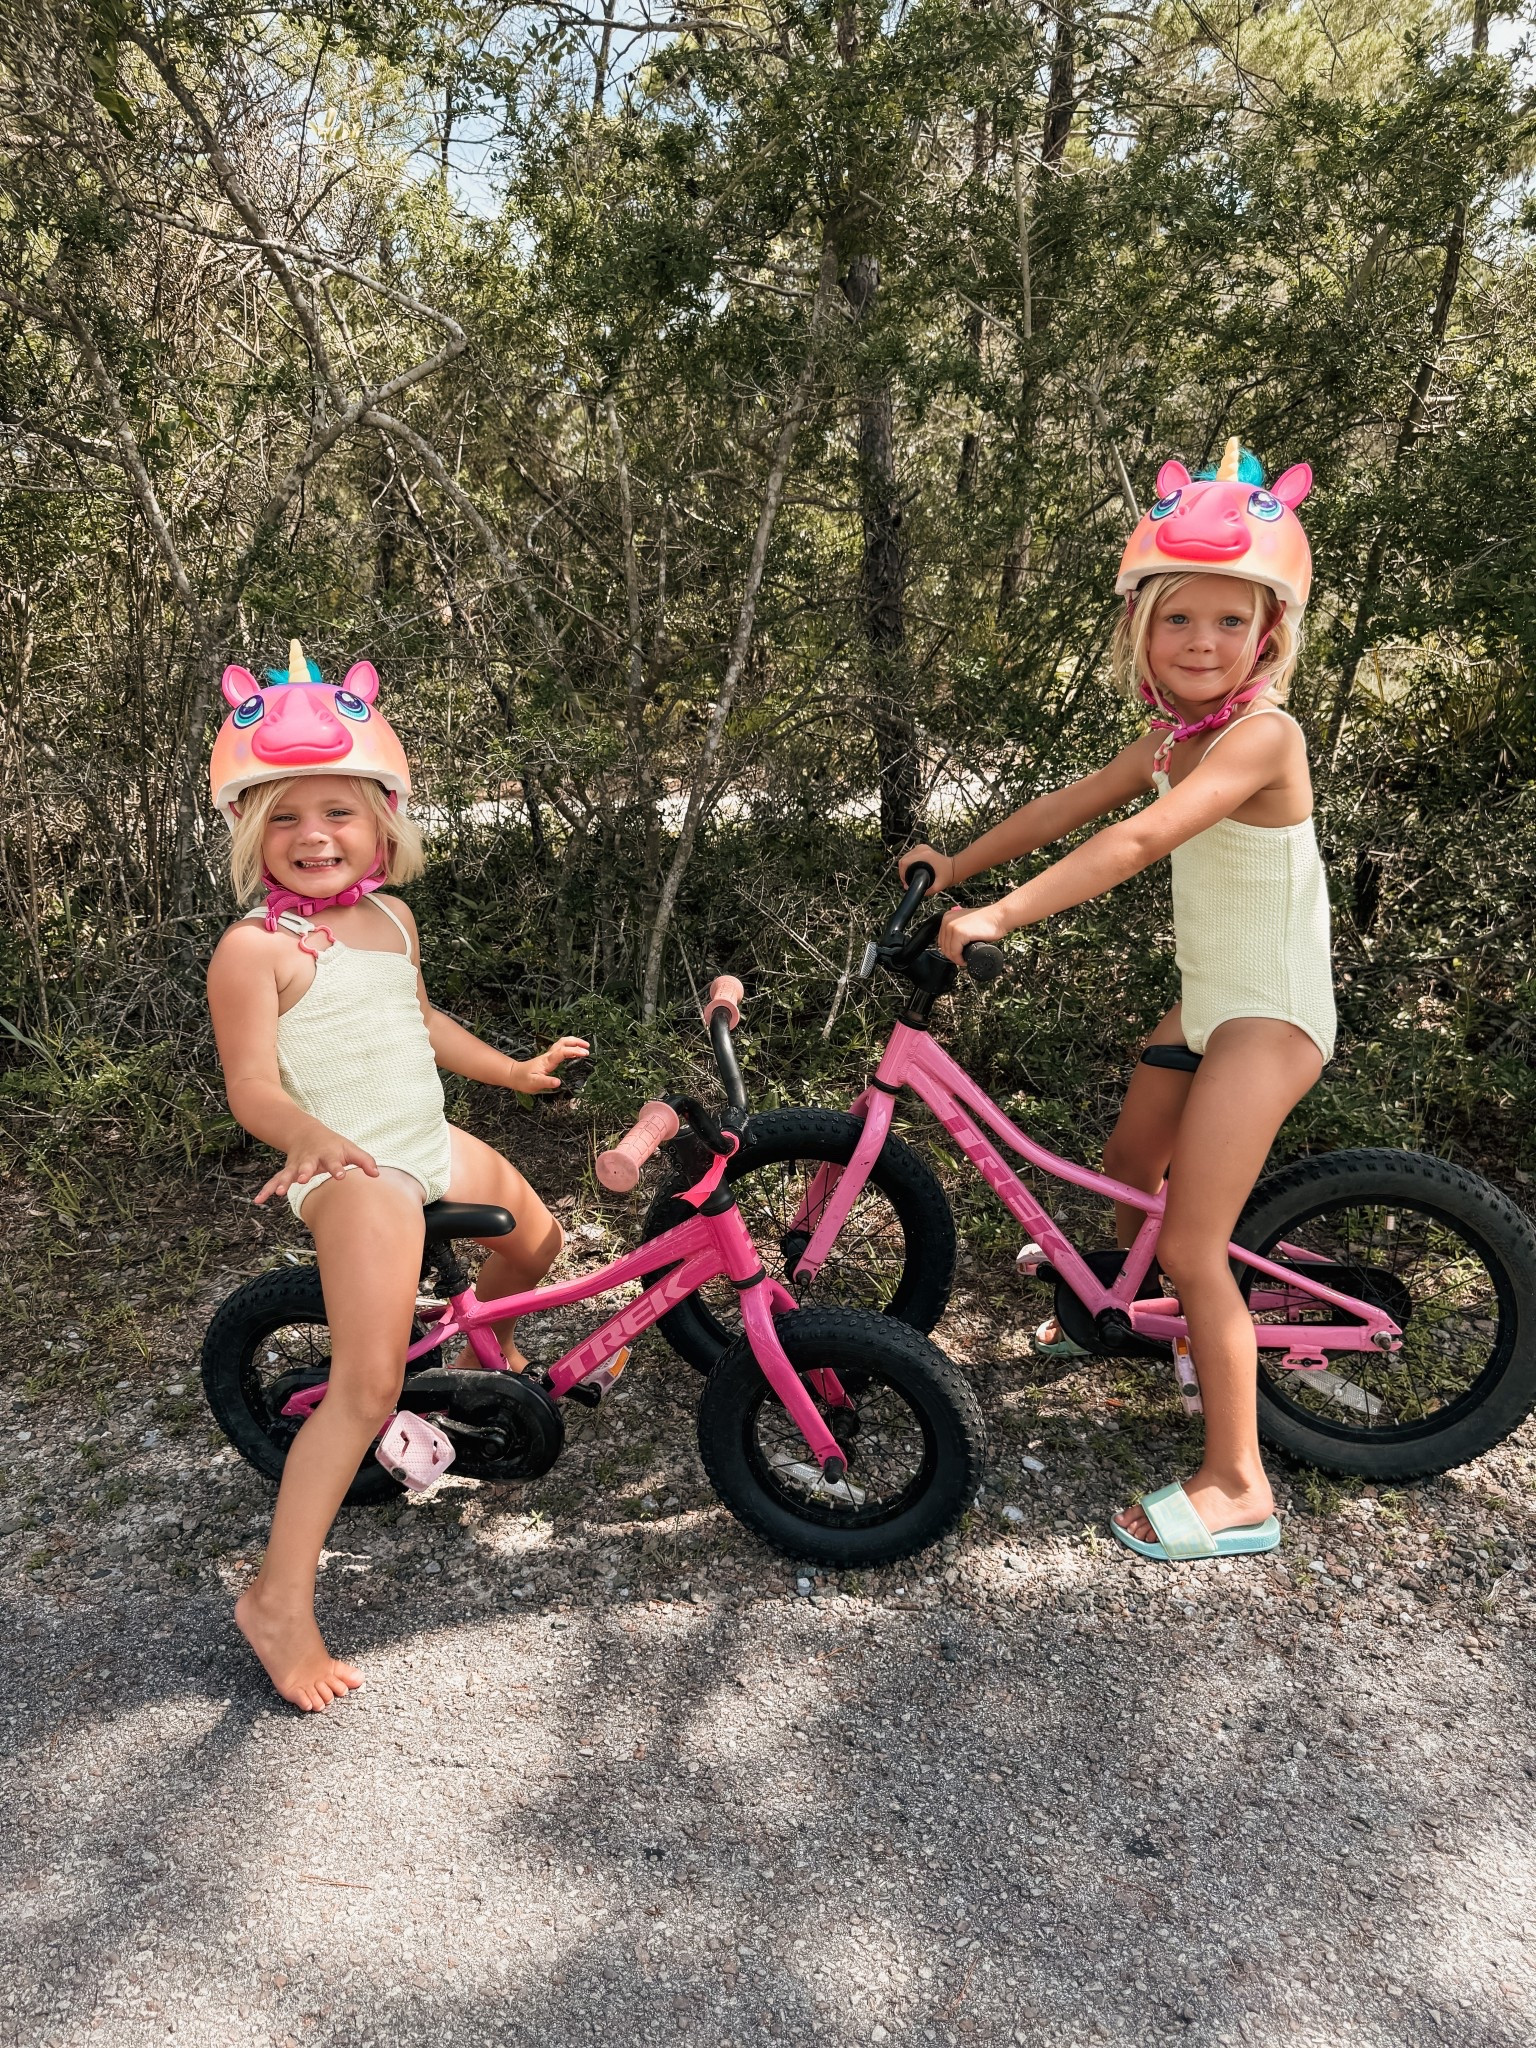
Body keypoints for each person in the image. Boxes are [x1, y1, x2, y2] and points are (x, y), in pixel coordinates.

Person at [901, 439, 1333, 1563]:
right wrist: (957, 865)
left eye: (1230, 624)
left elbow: (1138, 838)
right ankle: (1115, 1317)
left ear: (1268, 635)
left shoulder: (1261, 735)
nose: (1204, 643)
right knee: (1129, 1157)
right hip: (1208, 1002)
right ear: (1143, 629)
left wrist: (1006, 916)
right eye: (1180, 620)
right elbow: (1070, 804)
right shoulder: (1176, 734)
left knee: (1196, 1247)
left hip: (1269, 1016)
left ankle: (1239, 1485)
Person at [205, 641, 588, 1708]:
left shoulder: (388, 917)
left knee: (538, 1239)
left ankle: (487, 1358)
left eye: (336, 810)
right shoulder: (254, 950)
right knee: (366, 1385)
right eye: (283, 815)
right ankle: (277, 1600)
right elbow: (250, 1086)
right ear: (251, 832)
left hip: (420, 1134)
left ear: (382, 823)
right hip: (354, 1169)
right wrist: (309, 1135)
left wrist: (511, 1070)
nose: (312, 834)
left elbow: (417, 1021)